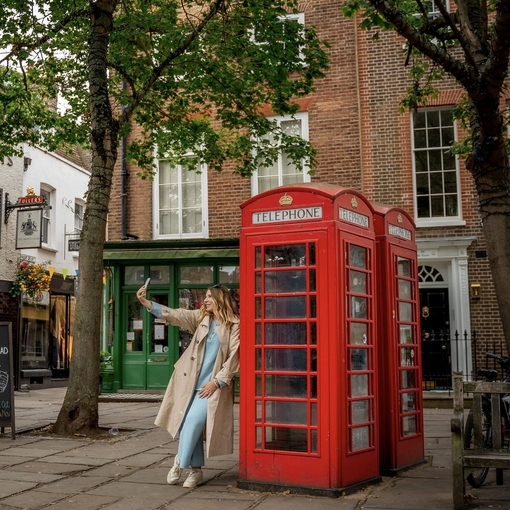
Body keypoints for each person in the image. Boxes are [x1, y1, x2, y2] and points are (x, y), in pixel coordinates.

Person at [136, 284, 240, 489]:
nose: (206, 300)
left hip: (211, 386)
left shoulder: (234, 325)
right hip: (189, 381)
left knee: (192, 422)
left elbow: (234, 357)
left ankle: (178, 462)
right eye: (206, 296)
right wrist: (147, 303)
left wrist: (216, 382)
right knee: (185, 424)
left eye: (210, 296)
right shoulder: (202, 319)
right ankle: (195, 471)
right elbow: (176, 314)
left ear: (221, 299)